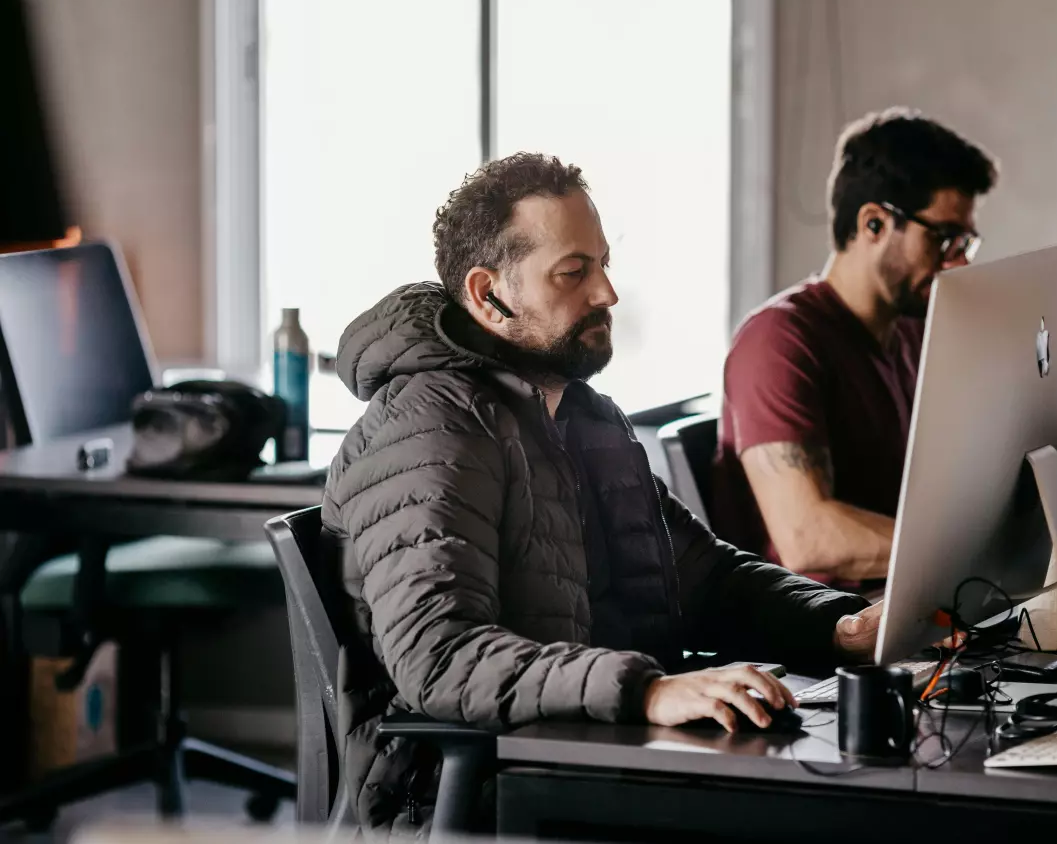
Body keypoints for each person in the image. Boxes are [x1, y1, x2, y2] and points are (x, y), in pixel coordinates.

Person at [322, 152, 880, 836]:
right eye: (573, 272)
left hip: (591, 758)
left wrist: (838, 622)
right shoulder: (431, 426)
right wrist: (645, 692)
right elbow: (440, 656)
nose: (607, 293)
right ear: (489, 293)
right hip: (477, 793)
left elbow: (702, 578)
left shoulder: (584, 415)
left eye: (603, 264)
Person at [712, 107, 1057, 592]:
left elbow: (968, 492)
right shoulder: (779, 342)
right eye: (944, 237)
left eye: (966, 241)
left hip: (915, 603)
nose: (958, 261)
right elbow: (808, 537)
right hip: (829, 630)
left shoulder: (911, 334)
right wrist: (1021, 546)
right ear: (874, 224)